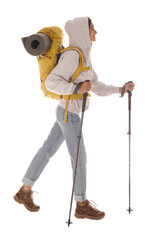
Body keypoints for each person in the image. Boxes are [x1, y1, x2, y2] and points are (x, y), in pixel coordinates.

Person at [13, 17, 135, 220]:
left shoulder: (84, 56)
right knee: (79, 158)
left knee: (47, 151)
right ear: (82, 31)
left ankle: (23, 191)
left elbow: (96, 85)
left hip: (65, 111)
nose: (96, 32)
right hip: (69, 114)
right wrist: (76, 88)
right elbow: (51, 82)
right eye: (92, 29)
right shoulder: (73, 56)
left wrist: (120, 89)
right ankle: (81, 204)